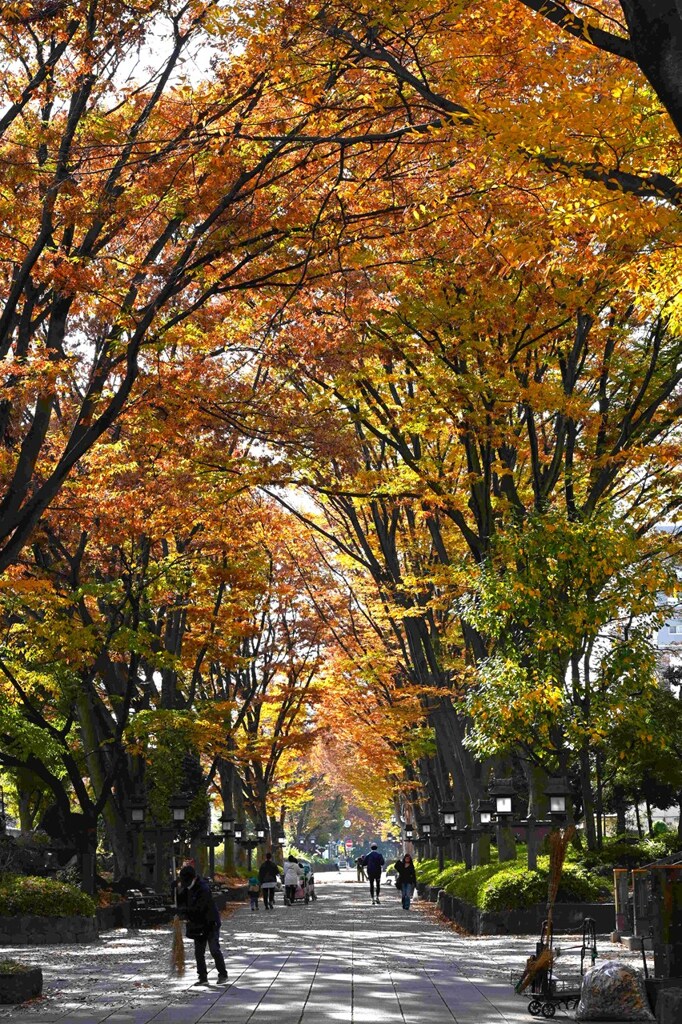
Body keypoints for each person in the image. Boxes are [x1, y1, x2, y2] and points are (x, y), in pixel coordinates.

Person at [176, 864, 227, 985]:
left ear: (192, 878)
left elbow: (199, 908)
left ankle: (223, 974)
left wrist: (185, 913)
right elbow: (182, 903)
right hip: (197, 924)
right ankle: (202, 977)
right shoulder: (186, 888)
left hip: (210, 923)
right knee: (199, 952)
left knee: (214, 949)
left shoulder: (203, 889)